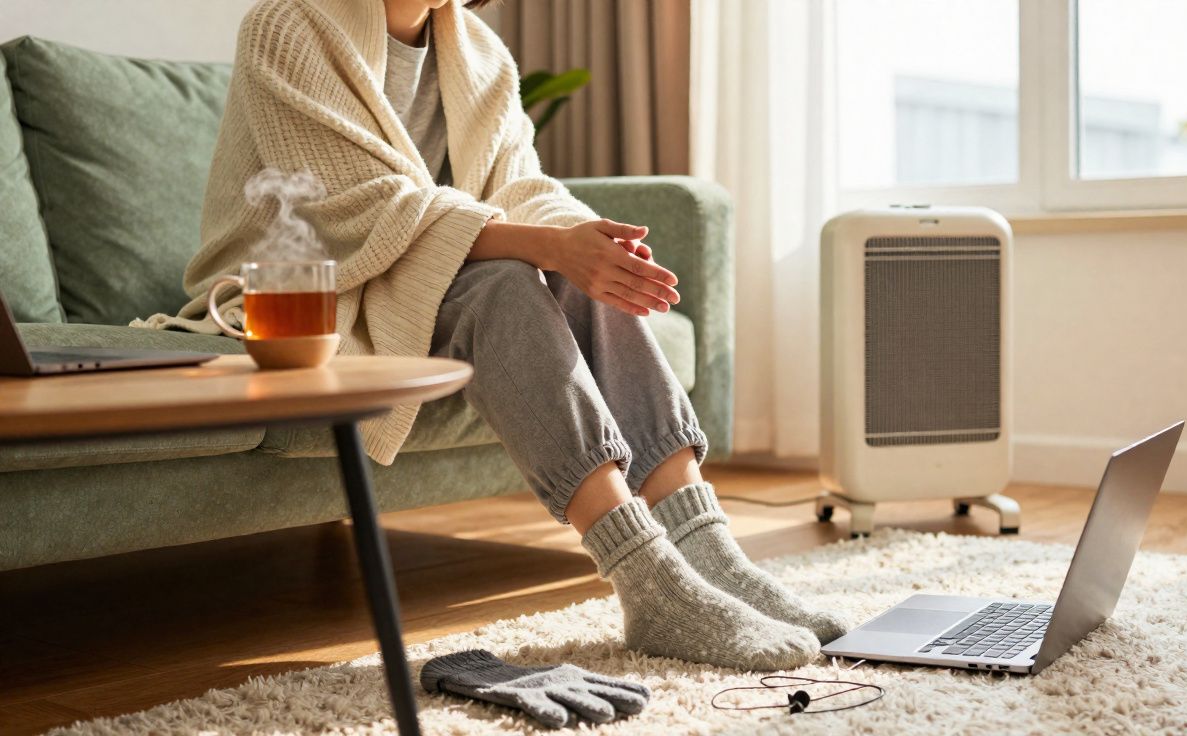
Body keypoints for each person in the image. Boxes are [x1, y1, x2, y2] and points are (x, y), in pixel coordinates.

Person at [179, 0, 845, 670]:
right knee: (502, 283)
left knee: (584, 277)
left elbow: (520, 187)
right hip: (319, 290)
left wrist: (584, 244)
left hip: (427, 275)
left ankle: (710, 555)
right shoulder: (287, 25)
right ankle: (649, 580)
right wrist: (549, 247)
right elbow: (357, 207)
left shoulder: (479, 52)